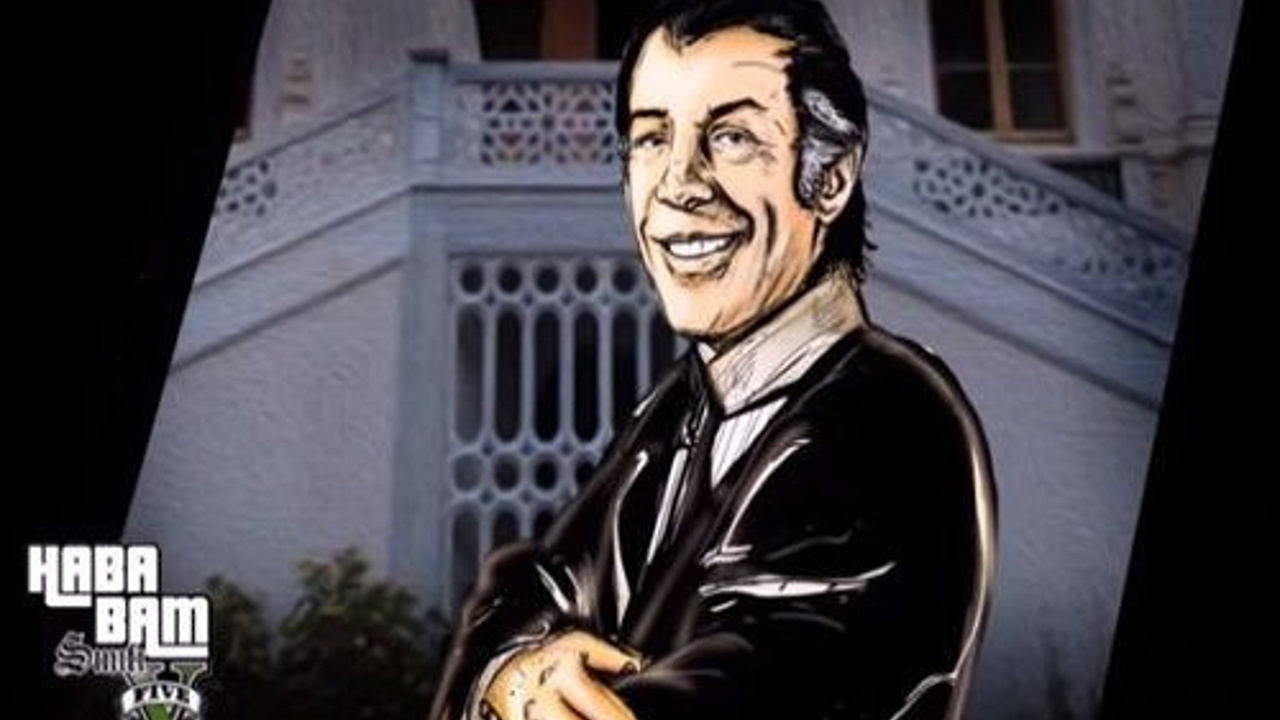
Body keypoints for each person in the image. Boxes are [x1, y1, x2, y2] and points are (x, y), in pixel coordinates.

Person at [429, 2, 997, 719]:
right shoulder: (677, 406)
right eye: (651, 138)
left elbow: (764, 680)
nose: (677, 184)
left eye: (731, 137)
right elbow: (528, 590)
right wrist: (508, 673)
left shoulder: (894, 423)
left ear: (830, 176)